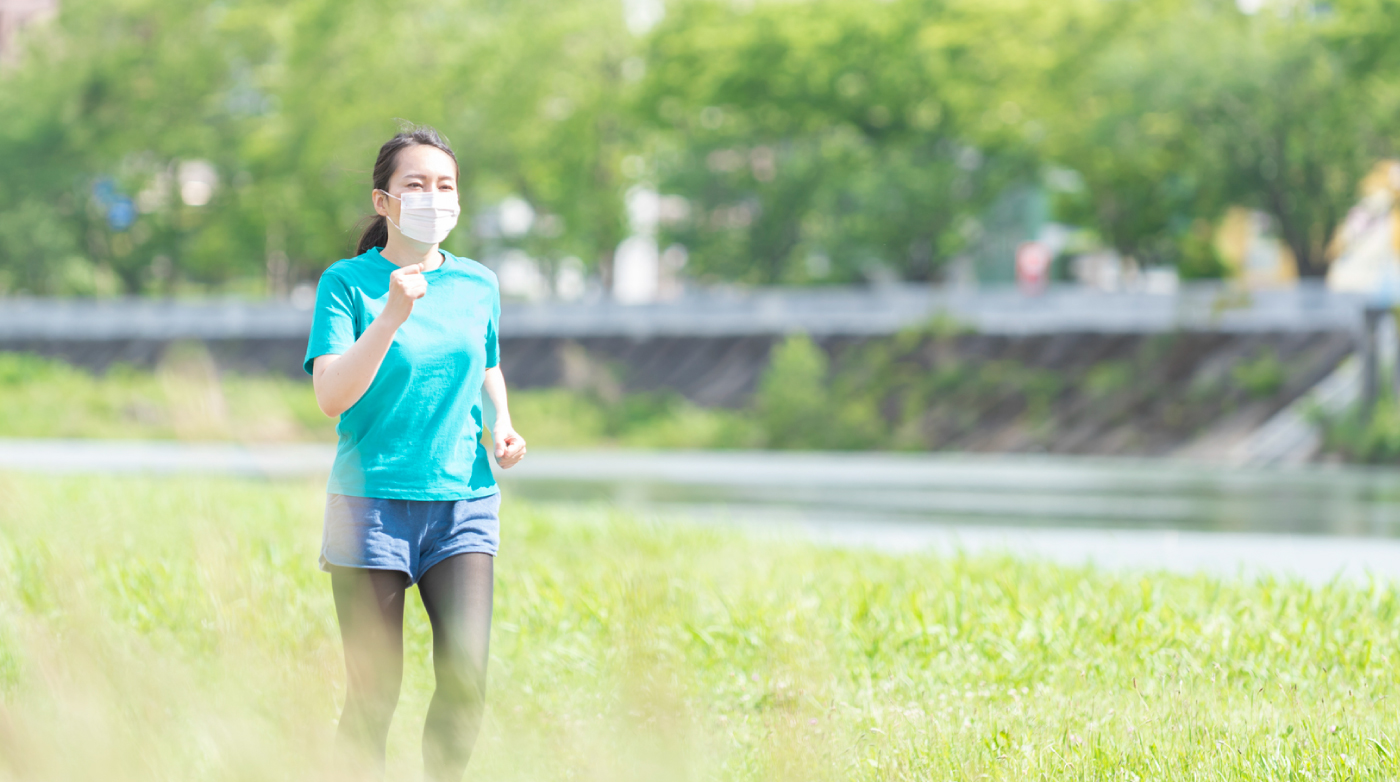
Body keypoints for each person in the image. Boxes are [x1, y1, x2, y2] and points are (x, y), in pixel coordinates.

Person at [303, 124, 526, 781]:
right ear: (384, 202)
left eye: (446, 185)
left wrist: (502, 422)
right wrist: (392, 315)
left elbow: (485, 363)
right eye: (417, 185)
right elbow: (331, 396)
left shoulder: (478, 282)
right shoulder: (348, 284)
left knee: (465, 683)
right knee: (374, 695)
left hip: (464, 504)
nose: (435, 196)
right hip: (369, 506)